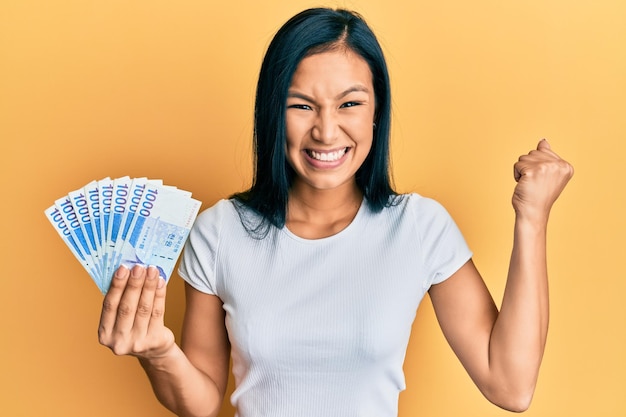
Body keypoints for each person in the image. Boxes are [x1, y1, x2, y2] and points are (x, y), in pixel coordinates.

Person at [97, 7, 574, 417]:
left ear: (375, 112)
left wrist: (532, 220)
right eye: (302, 105)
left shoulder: (419, 227)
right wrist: (158, 353)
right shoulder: (218, 232)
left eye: (349, 103)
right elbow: (200, 403)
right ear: (271, 112)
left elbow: (511, 386)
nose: (327, 132)